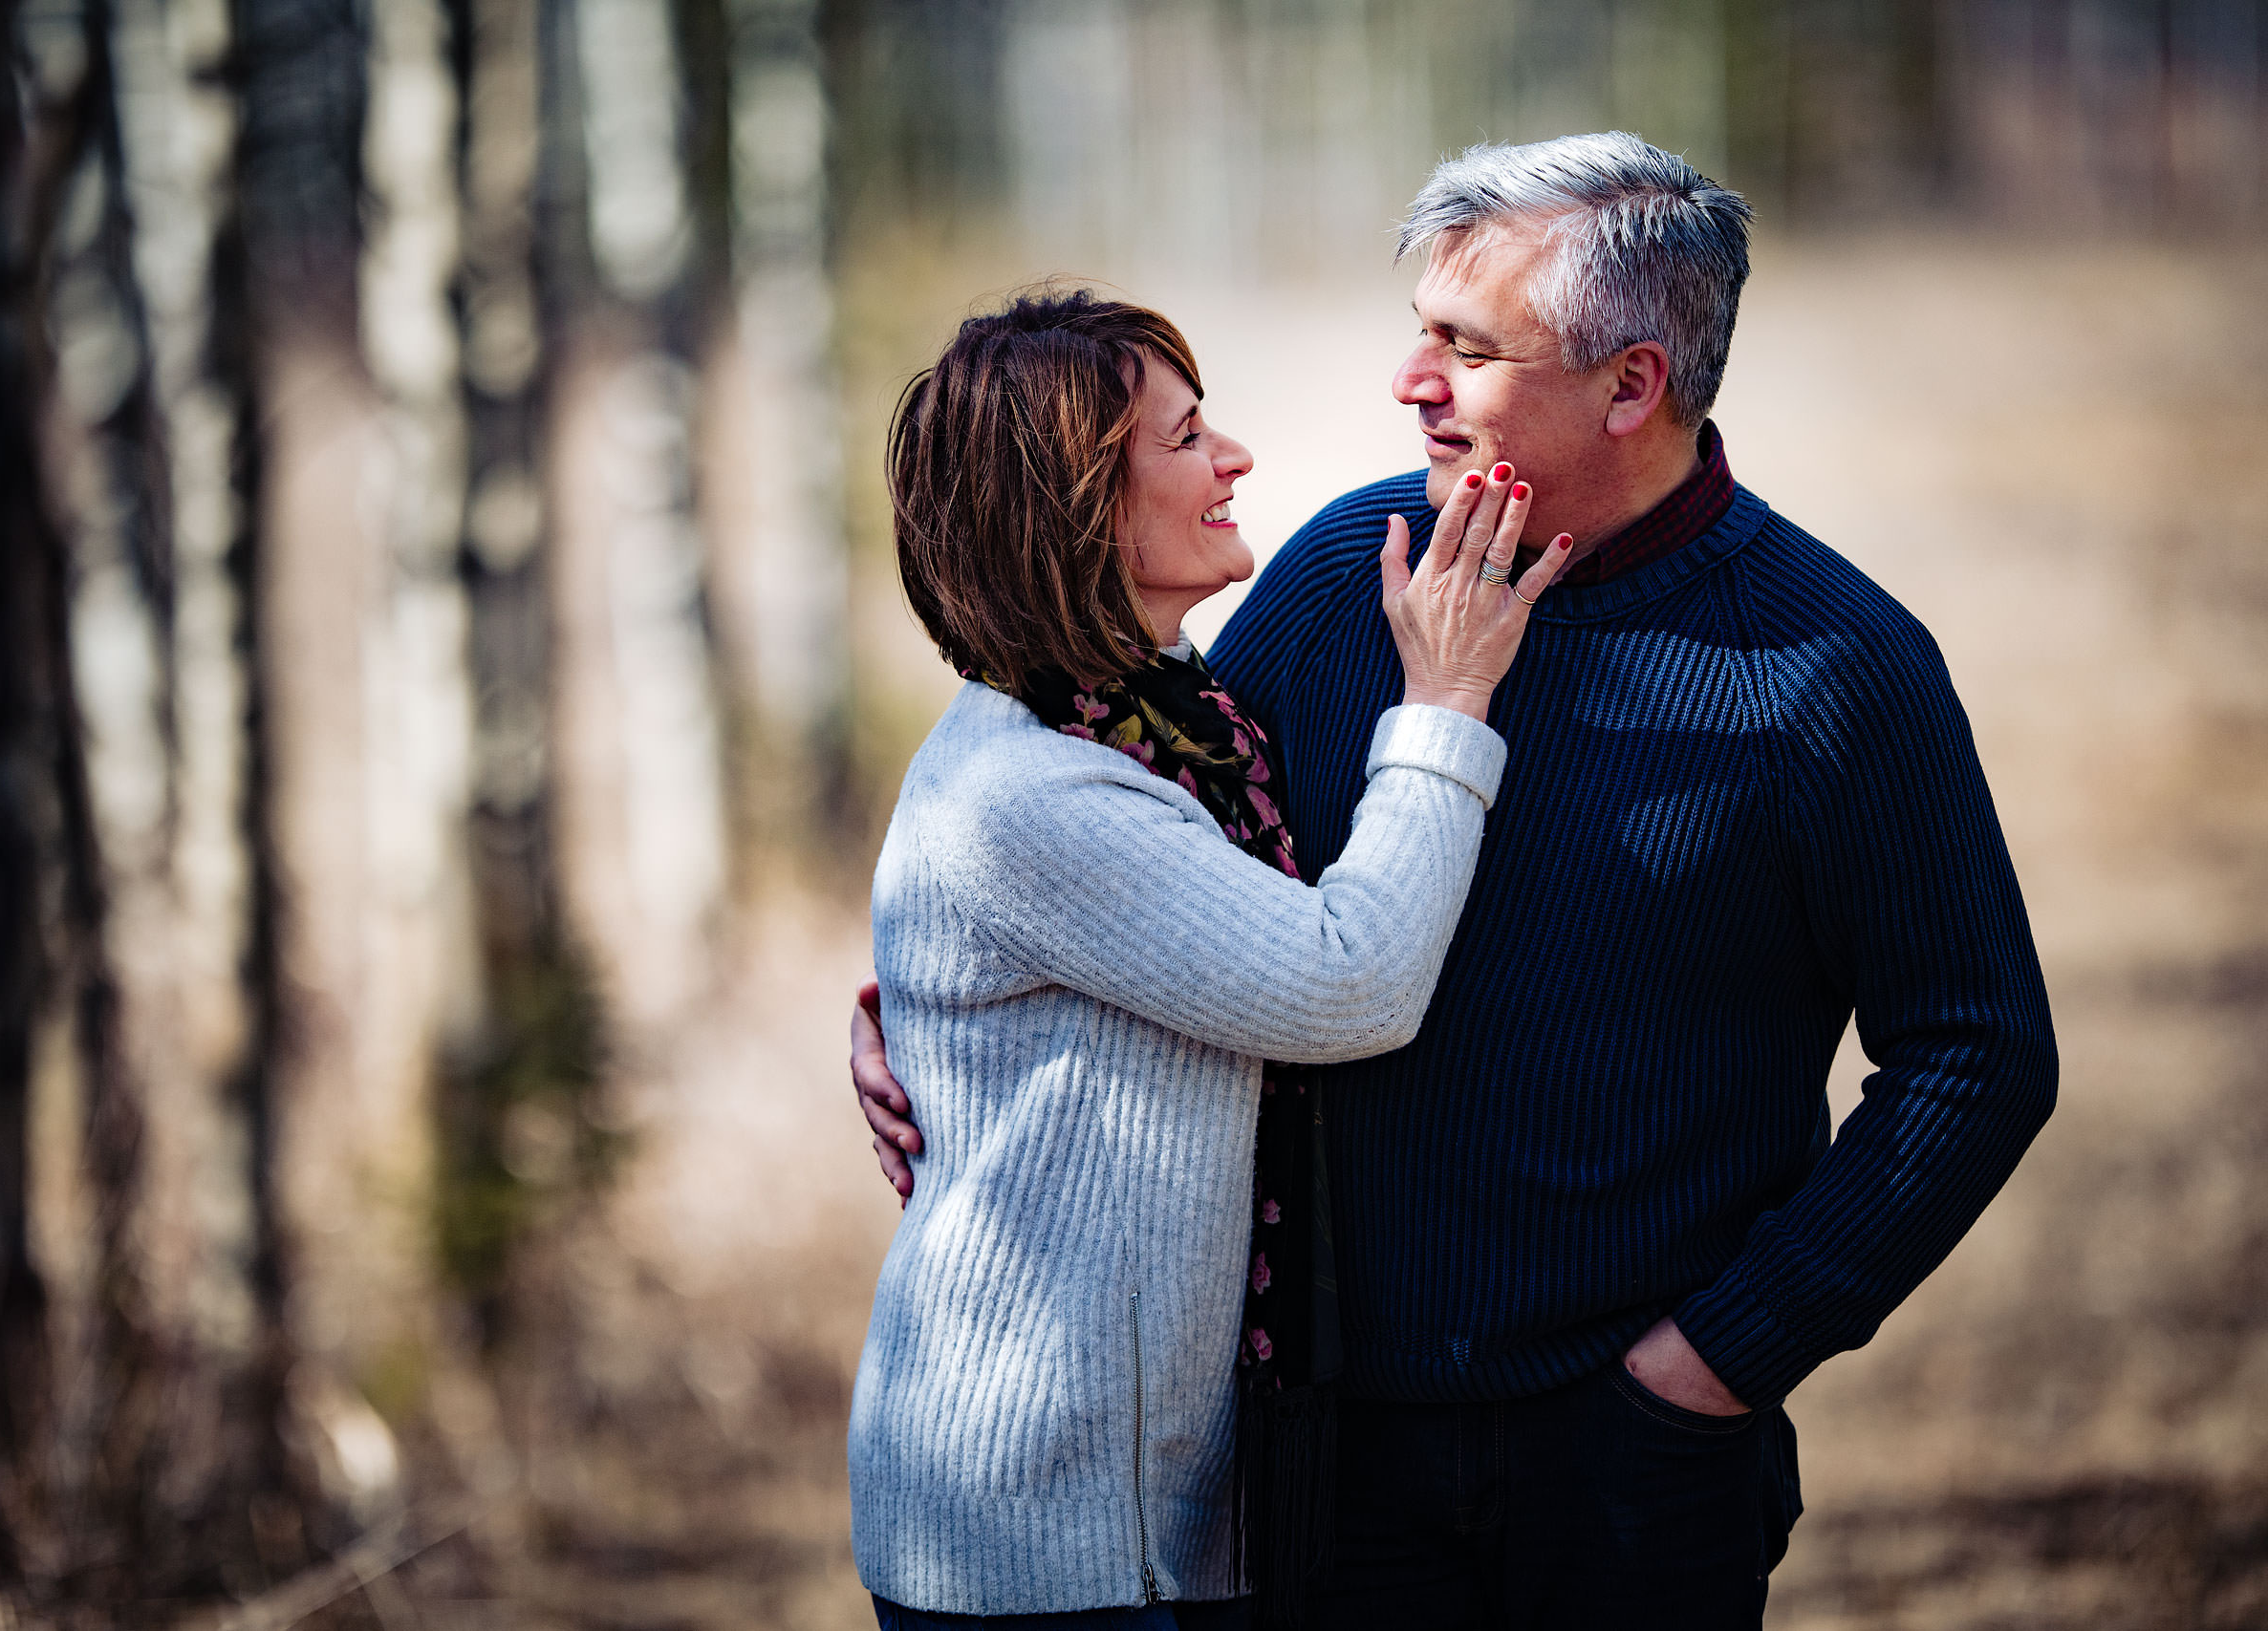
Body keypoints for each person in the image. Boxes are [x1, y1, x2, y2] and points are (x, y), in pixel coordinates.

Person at [853, 134, 2059, 1628]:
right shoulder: (1346, 574)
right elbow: (1159, 861)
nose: (1411, 380)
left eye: (1466, 347)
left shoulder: (1829, 668)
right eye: (1421, 330)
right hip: (1315, 1464)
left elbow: (1978, 1056)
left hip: (1631, 1472)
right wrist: (925, 1002)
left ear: (1632, 386)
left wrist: (1716, 1363)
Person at [850, 288, 1573, 1630]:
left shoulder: (1172, 722)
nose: (1233, 459)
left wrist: (909, 1005)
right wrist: (1451, 703)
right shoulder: (1040, 791)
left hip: (1146, 1511)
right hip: (1040, 1532)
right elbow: (1346, 982)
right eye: (1185, 441)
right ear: (1080, 510)